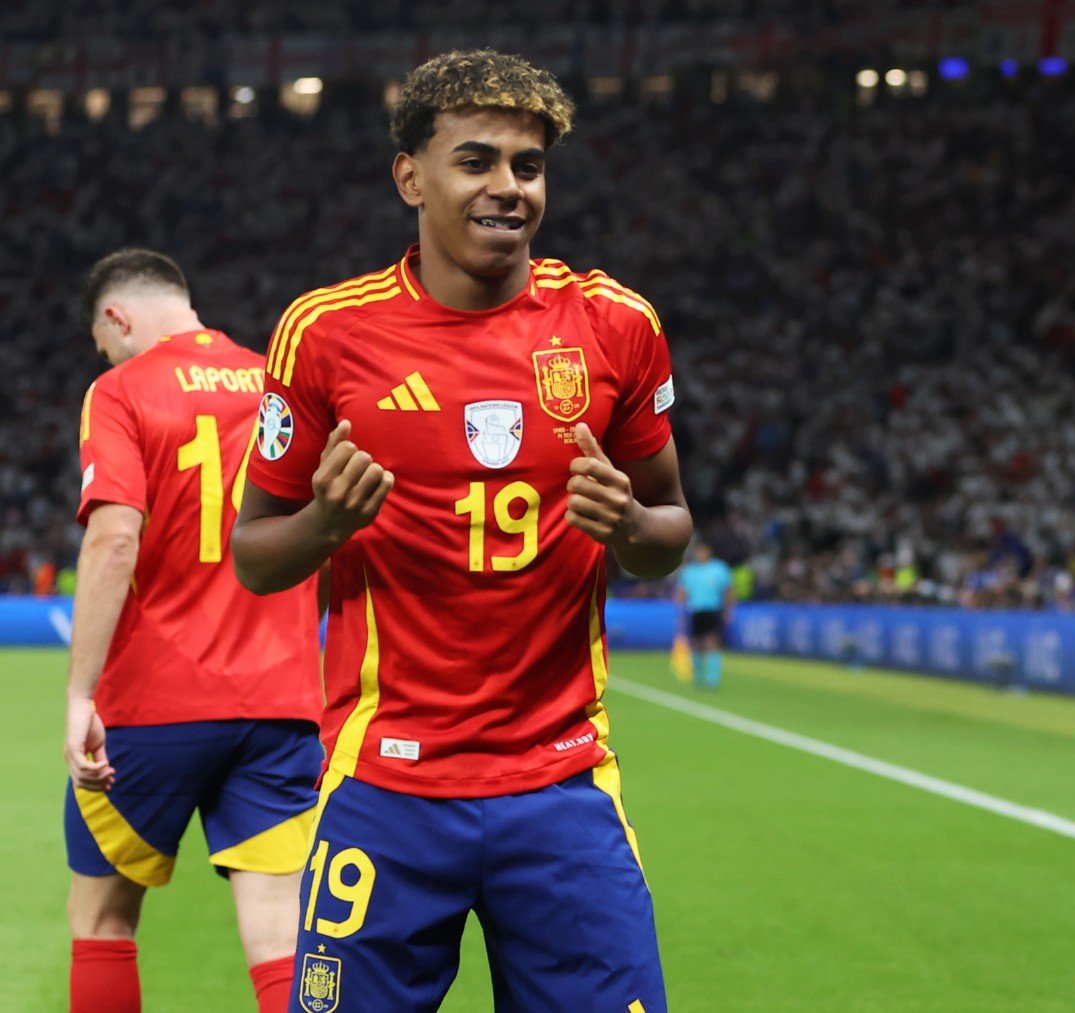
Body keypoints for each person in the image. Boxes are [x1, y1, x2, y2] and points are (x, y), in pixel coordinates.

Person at [231, 50, 689, 1011]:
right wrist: (327, 521)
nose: (508, 189)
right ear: (411, 176)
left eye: (527, 167)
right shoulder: (325, 335)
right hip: (386, 786)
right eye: (475, 161)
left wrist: (627, 526)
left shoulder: (614, 325)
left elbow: (669, 530)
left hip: (561, 781)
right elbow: (257, 557)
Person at [66, 249, 323, 1013]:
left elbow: (114, 538)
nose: (105, 355)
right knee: (281, 935)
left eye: (101, 341)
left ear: (115, 316)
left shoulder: (120, 390)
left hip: (153, 704)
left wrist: (80, 692)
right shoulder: (279, 386)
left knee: (104, 921)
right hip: (281, 701)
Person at [675, 540, 734, 689]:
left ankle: (712, 679)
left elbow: (728, 591)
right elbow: (682, 592)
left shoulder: (719, 568)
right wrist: (680, 607)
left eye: (703, 551)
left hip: (713, 610)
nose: (700, 554)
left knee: (712, 642)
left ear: (709, 552)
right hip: (695, 610)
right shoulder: (690, 571)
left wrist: (728, 610)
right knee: (696, 643)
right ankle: (698, 676)